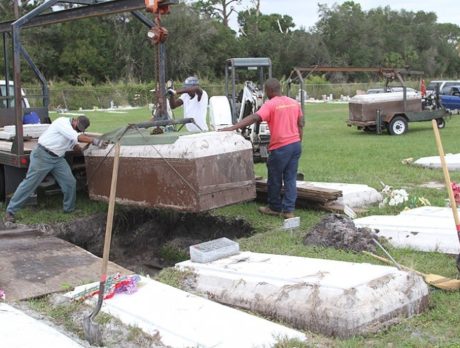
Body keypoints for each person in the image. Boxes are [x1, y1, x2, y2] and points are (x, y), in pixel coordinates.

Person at [220, 78, 303, 219]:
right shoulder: (294, 102)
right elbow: (301, 122)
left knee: (275, 179)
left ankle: (274, 207)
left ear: (269, 90)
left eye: (266, 91)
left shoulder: (270, 104)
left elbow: (254, 117)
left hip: (280, 147)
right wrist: (299, 140)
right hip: (295, 145)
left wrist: (233, 127)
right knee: (290, 178)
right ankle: (288, 211)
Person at [4, 115, 107, 223]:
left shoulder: (73, 131)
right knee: (30, 184)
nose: (77, 129)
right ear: (75, 120)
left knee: (70, 182)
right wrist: (95, 141)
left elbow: (74, 145)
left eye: (79, 129)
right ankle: (10, 211)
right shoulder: (62, 122)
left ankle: (69, 209)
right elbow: (76, 137)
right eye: (77, 127)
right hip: (42, 155)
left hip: (58, 159)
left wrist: (85, 150)